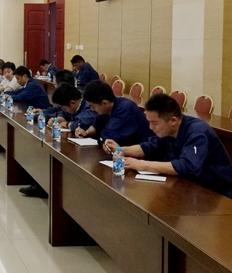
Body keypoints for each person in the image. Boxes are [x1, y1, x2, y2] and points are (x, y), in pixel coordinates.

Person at [103, 94, 232, 198]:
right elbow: (149, 147)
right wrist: (120, 149)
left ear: (173, 121)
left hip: (216, 193)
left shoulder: (198, 132)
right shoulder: (167, 130)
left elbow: (187, 166)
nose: (150, 127)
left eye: (154, 123)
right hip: (188, 187)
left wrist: (143, 165)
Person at [76, 80, 152, 146]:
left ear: (104, 103)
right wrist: (86, 132)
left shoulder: (125, 109)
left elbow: (109, 138)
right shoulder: (106, 109)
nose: (92, 110)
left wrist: (101, 138)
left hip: (144, 151)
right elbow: (97, 125)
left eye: (92, 106)